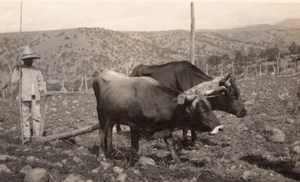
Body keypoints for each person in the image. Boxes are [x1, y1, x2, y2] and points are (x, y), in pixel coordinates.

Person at [11, 45, 46, 143]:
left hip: (35, 97)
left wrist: (42, 90)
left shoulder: (36, 70)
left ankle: (37, 136)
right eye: (27, 59)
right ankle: (26, 136)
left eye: (31, 59)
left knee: (36, 116)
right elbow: (14, 81)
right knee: (24, 117)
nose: (30, 61)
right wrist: (17, 69)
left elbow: (40, 81)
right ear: (24, 60)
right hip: (24, 96)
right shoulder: (20, 69)